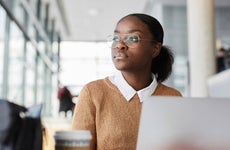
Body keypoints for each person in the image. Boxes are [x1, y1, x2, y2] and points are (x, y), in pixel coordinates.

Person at [72, 13, 182, 149]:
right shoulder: (93, 93)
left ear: (155, 49)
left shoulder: (173, 97)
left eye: (132, 38)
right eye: (115, 38)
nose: (120, 45)